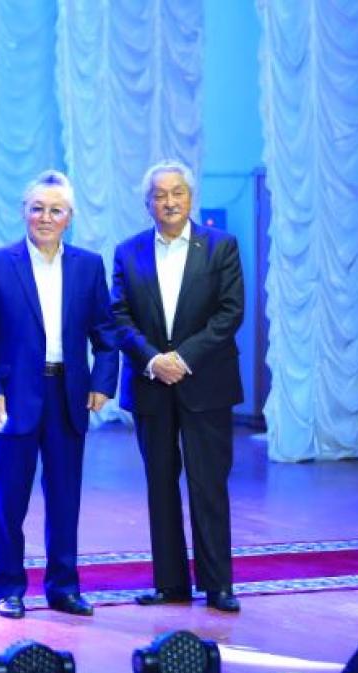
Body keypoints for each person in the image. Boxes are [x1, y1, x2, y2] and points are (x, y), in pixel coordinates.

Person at [0, 171, 118, 619]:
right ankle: (8, 587)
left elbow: (105, 333)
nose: (46, 217)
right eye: (38, 208)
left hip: (68, 395)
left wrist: (102, 382)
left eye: (56, 210)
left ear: (69, 217)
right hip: (12, 397)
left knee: (65, 499)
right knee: (7, 499)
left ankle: (63, 587)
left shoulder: (88, 266)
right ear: (24, 212)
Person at [110, 160, 244, 613]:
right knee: (160, 486)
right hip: (151, 386)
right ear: (147, 204)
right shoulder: (128, 252)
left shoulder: (221, 247)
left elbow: (230, 312)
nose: (169, 202)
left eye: (177, 193)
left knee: (209, 486)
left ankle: (218, 584)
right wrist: (154, 360)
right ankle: (170, 584)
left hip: (206, 383)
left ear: (190, 197)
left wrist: (183, 360)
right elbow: (119, 317)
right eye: (160, 195)